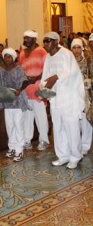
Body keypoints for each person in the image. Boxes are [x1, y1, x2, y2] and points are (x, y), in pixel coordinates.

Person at [42, 32, 85, 169]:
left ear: (55, 41)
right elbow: (45, 76)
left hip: (69, 97)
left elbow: (72, 73)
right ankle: (63, 156)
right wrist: (43, 87)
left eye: (47, 41)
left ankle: (75, 156)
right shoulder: (48, 58)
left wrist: (56, 77)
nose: (45, 44)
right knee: (58, 127)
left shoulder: (66, 54)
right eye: (44, 41)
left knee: (71, 128)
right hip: (55, 99)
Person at [0, 48, 29, 162]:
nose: (7, 58)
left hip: (17, 101)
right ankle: (12, 147)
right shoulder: (0, 69)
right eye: (5, 56)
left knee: (18, 125)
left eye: (9, 56)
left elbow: (25, 81)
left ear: (13, 58)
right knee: (10, 126)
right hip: (7, 102)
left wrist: (19, 89)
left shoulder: (18, 69)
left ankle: (19, 150)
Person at [18, 30, 49, 151]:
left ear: (35, 39)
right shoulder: (22, 53)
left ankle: (44, 140)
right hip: (26, 89)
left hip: (37, 89)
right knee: (27, 117)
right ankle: (27, 140)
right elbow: (20, 70)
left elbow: (47, 70)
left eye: (29, 38)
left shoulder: (42, 51)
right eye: (25, 38)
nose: (26, 40)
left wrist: (36, 77)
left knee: (40, 116)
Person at [70, 38, 92, 156]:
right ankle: (76, 145)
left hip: (84, 95)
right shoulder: (69, 62)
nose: (77, 50)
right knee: (75, 122)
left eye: (79, 47)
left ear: (82, 48)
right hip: (72, 95)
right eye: (74, 47)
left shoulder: (87, 62)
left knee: (85, 121)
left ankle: (85, 145)